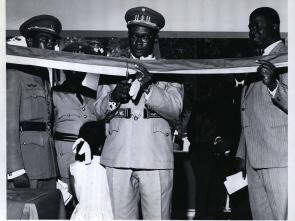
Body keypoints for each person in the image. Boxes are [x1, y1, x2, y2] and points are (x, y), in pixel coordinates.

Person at [95, 6, 184, 219]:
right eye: (134, 37)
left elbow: (175, 109)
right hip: (118, 156)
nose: (138, 42)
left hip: (155, 158)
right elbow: (97, 111)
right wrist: (114, 97)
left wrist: (149, 88)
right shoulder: (112, 68)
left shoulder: (169, 69)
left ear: (155, 38)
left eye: (145, 37)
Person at [236, 7, 288, 220]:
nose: (252, 32)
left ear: (275, 26)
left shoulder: (287, 58)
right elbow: (248, 112)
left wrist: (274, 83)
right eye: (250, 27)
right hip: (254, 161)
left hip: (280, 159)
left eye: (257, 26)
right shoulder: (254, 63)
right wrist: (243, 155)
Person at [7, 15, 62, 189]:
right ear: (30, 41)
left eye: (52, 42)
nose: (50, 46)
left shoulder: (43, 74)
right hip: (26, 164)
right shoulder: (14, 72)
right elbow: (8, 124)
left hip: (47, 162)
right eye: (44, 40)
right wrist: (15, 170)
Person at [53, 42, 98, 188]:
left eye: (81, 67)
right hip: (64, 155)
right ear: (65, 68)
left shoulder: (94, 95)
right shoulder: (54, 93)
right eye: (73, 66)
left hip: (89, 154)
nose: (77, 71)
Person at [69, 121, 113, 220]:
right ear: (102, 144)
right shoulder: (109, 167)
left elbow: (77, 198)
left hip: (82, 216)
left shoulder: (73, 167)